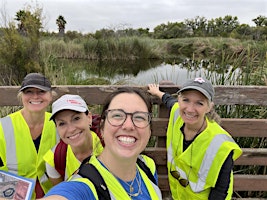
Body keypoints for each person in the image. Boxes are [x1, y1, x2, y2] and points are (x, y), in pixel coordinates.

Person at [40, 87, 162, 200]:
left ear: (149, 130)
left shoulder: (148, 166)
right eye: (117, 115)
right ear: (102, 127)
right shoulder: (82, 183)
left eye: (139, 117)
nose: (128, 125)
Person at [148, 78, 242, 200]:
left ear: (209, 107)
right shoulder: (177, 112)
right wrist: (157, 92)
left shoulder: (220, 145)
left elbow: (220, 192)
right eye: (186, 100)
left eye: (199, 103)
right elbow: (169, 101)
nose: (190, 109)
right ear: (179, 100)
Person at [0, 73, 59, 199]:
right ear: (21, 96)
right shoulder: (3, 127)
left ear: (51, 96)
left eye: (41, 91)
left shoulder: (59, 124)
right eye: (29, 91)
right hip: (12, 196)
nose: (35, 96)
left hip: (53, 195)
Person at [43, 94, 103, 185]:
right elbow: (62, 194)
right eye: (62, 124)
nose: (71, 129)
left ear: (89, 118)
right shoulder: (54, 160)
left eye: (76, 118)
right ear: (57, 128)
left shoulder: (109, 145)